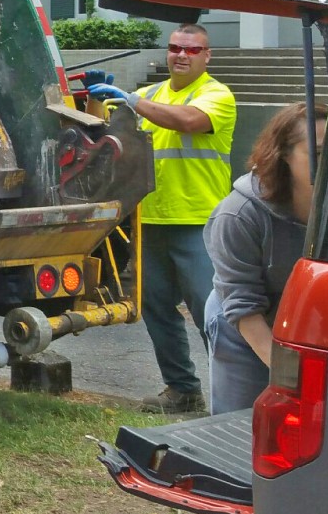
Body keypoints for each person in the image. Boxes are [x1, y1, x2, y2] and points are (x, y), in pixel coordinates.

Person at [86, 23, 236, 414]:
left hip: (198, 221)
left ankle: (234, 397)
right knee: (155, 308)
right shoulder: (147, 95)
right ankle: (183, 389)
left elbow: (187, 121)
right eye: (175, 48)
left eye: (191, 49)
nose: (181, 55)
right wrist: (94, 100)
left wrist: (130, 101)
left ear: (207, 56)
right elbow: (103, 135)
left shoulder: (215, 94)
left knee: (211, 313)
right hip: (150, 220)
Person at [204, 100, 328, 514]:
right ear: (281, 155)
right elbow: (243, 309)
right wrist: (287, 374)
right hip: (245, 332)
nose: (325, 157)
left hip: (302, 330)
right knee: (247, 445)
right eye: (314, 148)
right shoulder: (239, 214)